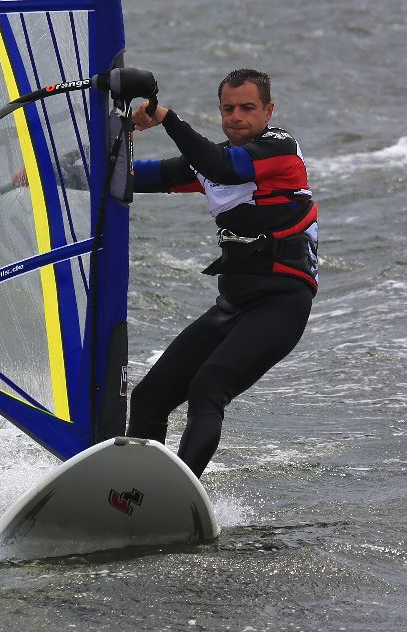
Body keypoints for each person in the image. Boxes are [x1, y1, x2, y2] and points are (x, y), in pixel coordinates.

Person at [127, 68, 318, 478]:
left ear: (268, 110)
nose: (236, 116)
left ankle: (176, 492)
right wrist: (52, 170)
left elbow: (225, 168)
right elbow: (136, 175)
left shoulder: (280, 147)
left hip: (282, 303)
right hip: (233, 307)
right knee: (148, 398)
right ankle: (134, 492)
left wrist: (166, 118)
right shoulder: (210, 163)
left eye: (248, 108)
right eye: (228, 108)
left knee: (208, 387)